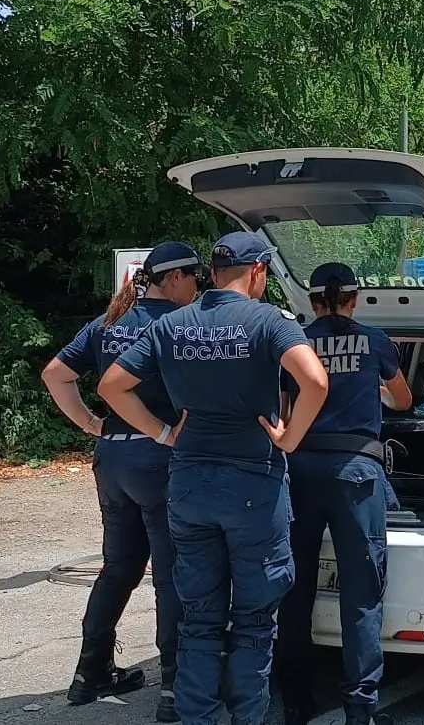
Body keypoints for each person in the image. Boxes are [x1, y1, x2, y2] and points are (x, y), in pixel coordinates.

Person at [99, 232, 330, 725]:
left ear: (213, 273)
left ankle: (197, 718)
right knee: (252, 622)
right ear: (259, 272)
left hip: (188, 487)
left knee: (199, 620)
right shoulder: (269, 321)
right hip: (251, 490)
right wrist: (289, 438)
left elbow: (111, 386)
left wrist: (163, 433)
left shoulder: (173, 325)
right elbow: (314, 380)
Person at [41, 241, 204, 722]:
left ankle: (90, 672)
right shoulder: (177, 327)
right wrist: (162, 431)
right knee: (171, 573)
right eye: (195, 276)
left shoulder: (107, 323)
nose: (199, 286)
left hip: (112, 457)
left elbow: (55, 375)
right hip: (159, 456)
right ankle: (174, 686)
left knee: (119, 567)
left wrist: (93, 424)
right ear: (173, 278)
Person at [276, 263, 412, 725]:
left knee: (295, 590)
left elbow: (285, 407)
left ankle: (295, 700)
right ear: (355, 299)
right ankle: (361, 709)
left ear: (313, 303)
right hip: (356, 474)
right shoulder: (375, 342)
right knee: (361, 593)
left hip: (300, 471)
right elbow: (405, 400)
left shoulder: (293, 342)